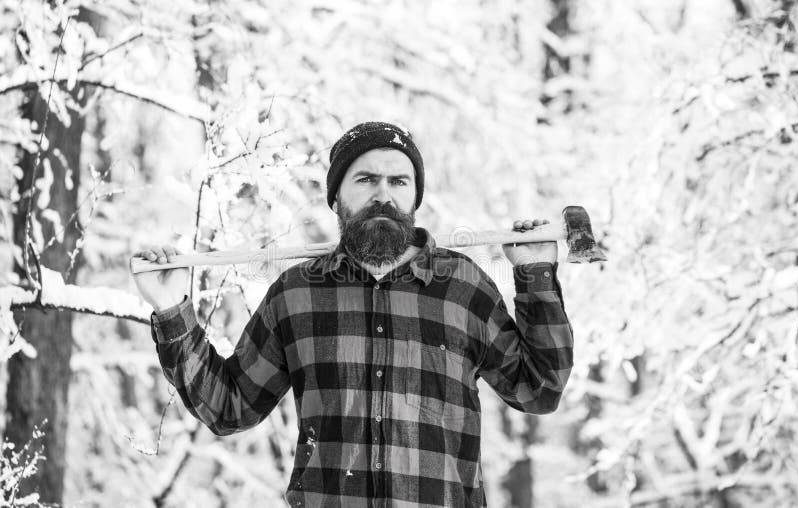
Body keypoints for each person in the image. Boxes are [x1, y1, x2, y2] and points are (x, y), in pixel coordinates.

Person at [131, 121, 574, 507]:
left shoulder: (461, 287)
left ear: (415, 196)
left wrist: (535, 275)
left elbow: (539, 388)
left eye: (399, 182)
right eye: (366, 179)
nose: (383, 195)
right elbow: (229, 407)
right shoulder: (297, 294)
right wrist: (173, 310)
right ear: (337, 196)